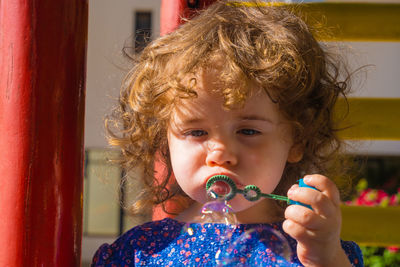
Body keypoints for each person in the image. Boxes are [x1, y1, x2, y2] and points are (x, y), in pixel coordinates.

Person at [92, 0, 363, 266]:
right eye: (197, 132)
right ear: (166, 140)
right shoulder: (138, 252)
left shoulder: (313, 248)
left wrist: (326, 258)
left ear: (297, 140)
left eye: (248, 130)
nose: (220, 153)